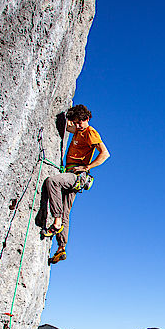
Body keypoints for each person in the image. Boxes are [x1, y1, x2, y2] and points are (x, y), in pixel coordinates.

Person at [39, 104, 110, 264]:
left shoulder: (90, 132)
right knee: (66, 211)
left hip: (77, 175)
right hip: (72, 174)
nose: (78, 125)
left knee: (53, 182)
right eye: (76, 122)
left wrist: (87, 166)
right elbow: (68, 126)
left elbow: (105, 153)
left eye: (81, 122)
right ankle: (61, 248)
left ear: (88, 119)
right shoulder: (78, 130)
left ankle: (56, 222)